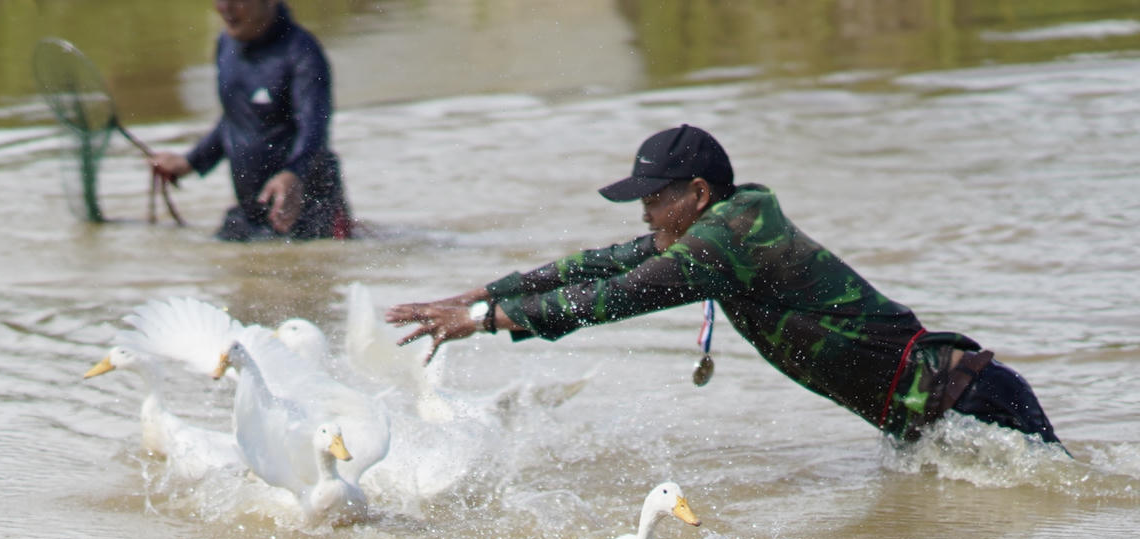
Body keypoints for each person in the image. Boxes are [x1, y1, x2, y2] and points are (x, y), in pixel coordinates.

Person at [385, 124, 1062, 447]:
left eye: (655, 198)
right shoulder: (718, 230)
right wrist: (479, 293)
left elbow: (615, 297)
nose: (645, 213)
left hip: (967, 404)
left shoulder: (722, 244)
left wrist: (485, 320)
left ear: (699, 193)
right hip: (930, 418)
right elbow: (600, 265)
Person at [151, 0, 352, 242]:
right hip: (251, 213)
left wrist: (293, 173)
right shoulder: (226, 45)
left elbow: (315, 129)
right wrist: (190, 162)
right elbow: (235, 119)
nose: (224, 7)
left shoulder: (302, 53)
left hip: (310, 211)